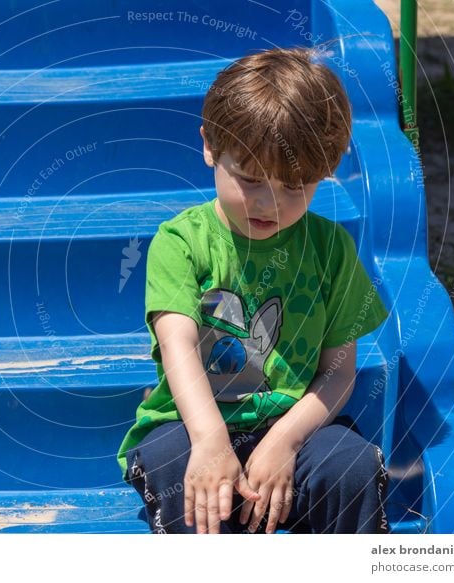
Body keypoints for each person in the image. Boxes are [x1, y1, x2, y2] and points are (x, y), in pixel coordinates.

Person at [116, 47, 391, 534]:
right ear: (209, 146)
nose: (270, 203)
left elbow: (338, 370)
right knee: (173, 463)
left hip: (291, 426)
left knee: (349, 466)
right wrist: (211, 441)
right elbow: (178, 348)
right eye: (249, 179)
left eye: (296, 186)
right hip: (191, 423)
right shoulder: (181, 242)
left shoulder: (330, 249)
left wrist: (285, 439)